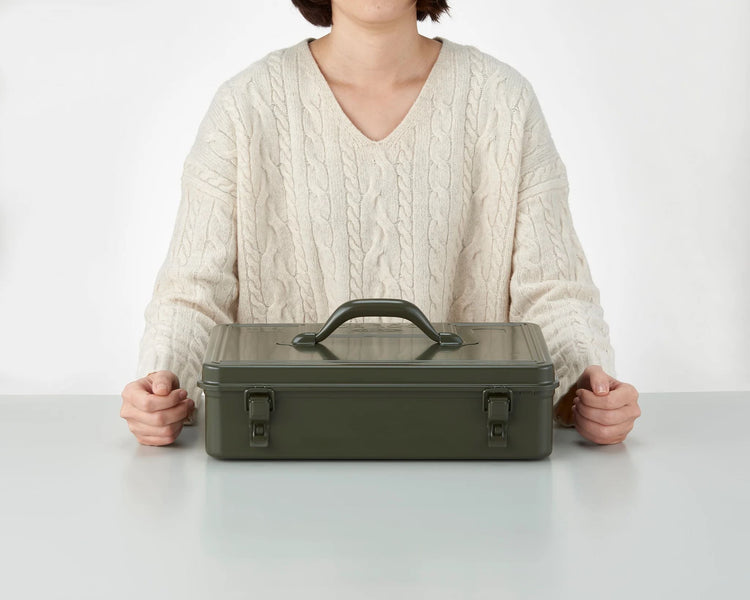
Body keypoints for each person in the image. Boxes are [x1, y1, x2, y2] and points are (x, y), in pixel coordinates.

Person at [120, 0, 641, 447]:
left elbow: (553, 285)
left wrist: (587, 381)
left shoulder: (503, 100)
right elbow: (194, 289)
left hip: (468, 444)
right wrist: (161, 381)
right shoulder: (244, 106)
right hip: (283, 444)